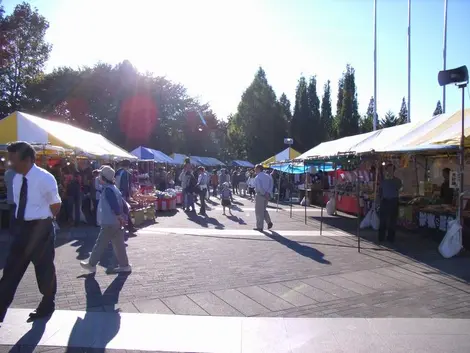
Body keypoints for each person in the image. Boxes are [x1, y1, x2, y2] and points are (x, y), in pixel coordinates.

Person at [0, 141, 62, 322]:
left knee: (44, 271)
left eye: (13, 160)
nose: (9, 164)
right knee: (11, 271)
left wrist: (43, 224)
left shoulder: (45, 178)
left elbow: (56, 205)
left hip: (40, 229)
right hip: (21, 228)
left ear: (27, 160)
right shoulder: (16, 178)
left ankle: (47, 303)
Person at [80, 166, 131, 274]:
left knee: (100, 244)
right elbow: (123, 205)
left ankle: (92, 264)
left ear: (103, 178)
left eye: (99, 175)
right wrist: (123, 217)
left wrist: (119, 215)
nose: (98, 178)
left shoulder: (108, 189)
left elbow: (115, 205)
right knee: (119, 245)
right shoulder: (114, 188)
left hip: (110, 222)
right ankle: (125, 265)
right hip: (116, 222)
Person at [378, 163, 402, 243]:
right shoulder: (383, 180)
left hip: (393, 201)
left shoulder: (397, 180)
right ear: (386, 170)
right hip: (385, 201)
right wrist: (380, 199)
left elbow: (399, 188)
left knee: (392, 220)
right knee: (383, 220)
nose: (390, 171)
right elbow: (380, 190)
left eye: (391, 169)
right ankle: (381, 236)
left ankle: (391, 237)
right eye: (388, 169)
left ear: (394, 170)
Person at [115, 160, 136, 233]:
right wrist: (128, 195)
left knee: (121, 210)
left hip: (116, 192)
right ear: (128, 166)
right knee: (126, 210)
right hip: (123, 194)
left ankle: (127, 226)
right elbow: (126, 185)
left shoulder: (117, 172)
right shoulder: (126, 173)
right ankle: (129, 226)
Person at [253, 164, 273, 231]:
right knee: (263, 210)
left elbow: (259, 187)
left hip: (260, 195)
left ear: (258, 169)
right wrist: (268, 193)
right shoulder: (268, 176)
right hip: (267, 195)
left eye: (255, 169)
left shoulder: (258, 177)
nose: (254, 170)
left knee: (259, 212)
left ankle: (260, 227)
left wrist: (264, 193)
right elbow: (271, 185)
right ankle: (269, 222)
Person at [3, 162, 16, 234]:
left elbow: (6, 185)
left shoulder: (7, 173)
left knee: (12, 215)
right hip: (18, 199)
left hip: (10, 198)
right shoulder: (20, 173)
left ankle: (12, 231)